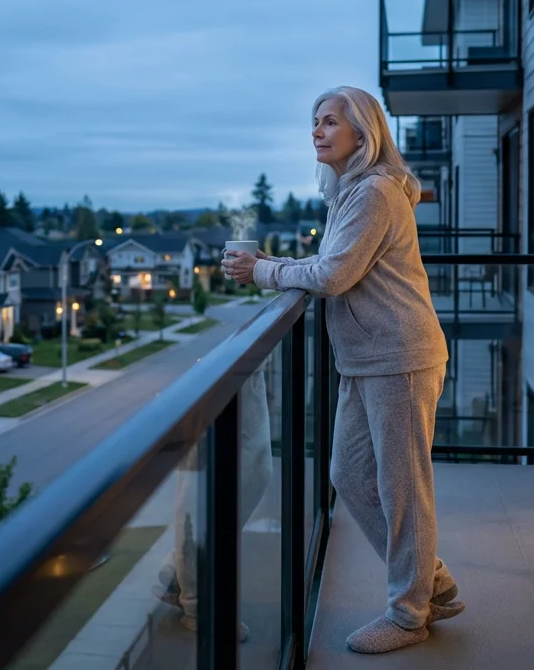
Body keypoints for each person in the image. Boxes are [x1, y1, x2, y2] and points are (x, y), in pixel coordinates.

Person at [221, 86, 461, 654]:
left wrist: (264, 270)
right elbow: (332, 269)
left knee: (403, 489)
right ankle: (434, 584)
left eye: (330, 122)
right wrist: (277, 269)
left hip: (399, 357)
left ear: (363, 131)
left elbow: (332, 275)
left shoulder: (375, 191)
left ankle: (409, 614)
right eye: (314, 123)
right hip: (365, 360)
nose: (317, 132)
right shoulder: (349, 193)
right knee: (349, 475)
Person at [153, 358, 273, 643]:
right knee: (198, 494)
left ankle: (177, 574)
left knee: (256, 472)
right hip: (216, 363)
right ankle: (197, 604)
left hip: (247, 357)